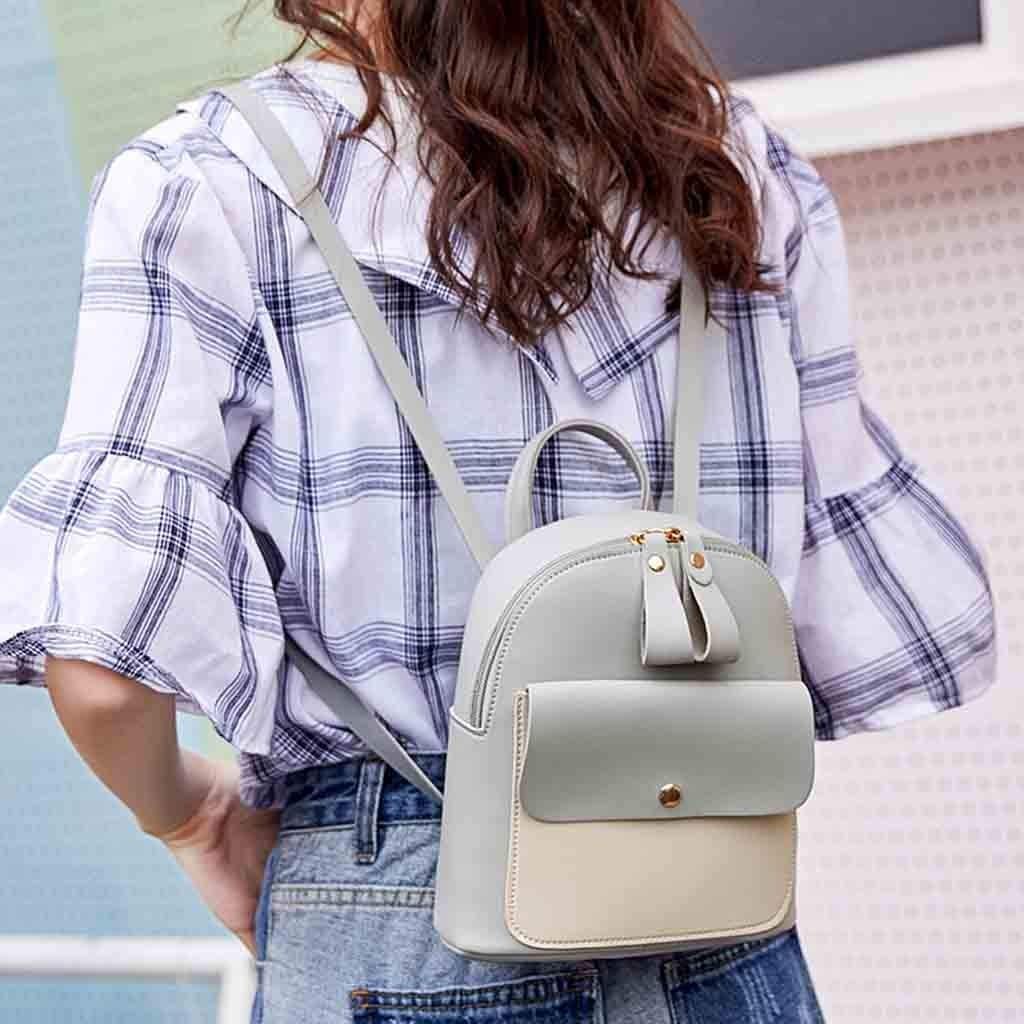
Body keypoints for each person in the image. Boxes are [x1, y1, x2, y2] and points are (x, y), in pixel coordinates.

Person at [0, 2, 998, 1021]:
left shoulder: (214, 176)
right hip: (710, 887)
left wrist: (191, 820)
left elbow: (105, 683)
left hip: (400, 885)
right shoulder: (732, 162)